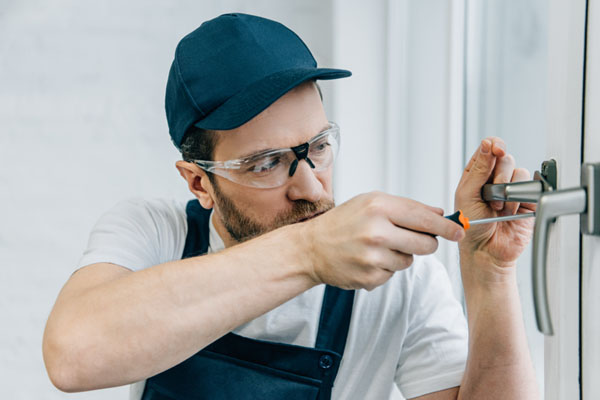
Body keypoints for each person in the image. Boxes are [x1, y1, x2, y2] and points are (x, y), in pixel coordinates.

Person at [42, 13, 538, 400]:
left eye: (318, 147)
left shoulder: (399, 284)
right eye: (266, 163)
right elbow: (72, 356)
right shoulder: (155, 233)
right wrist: (310, 252)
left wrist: (489, 275)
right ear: (199, 182)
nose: (311, 188)